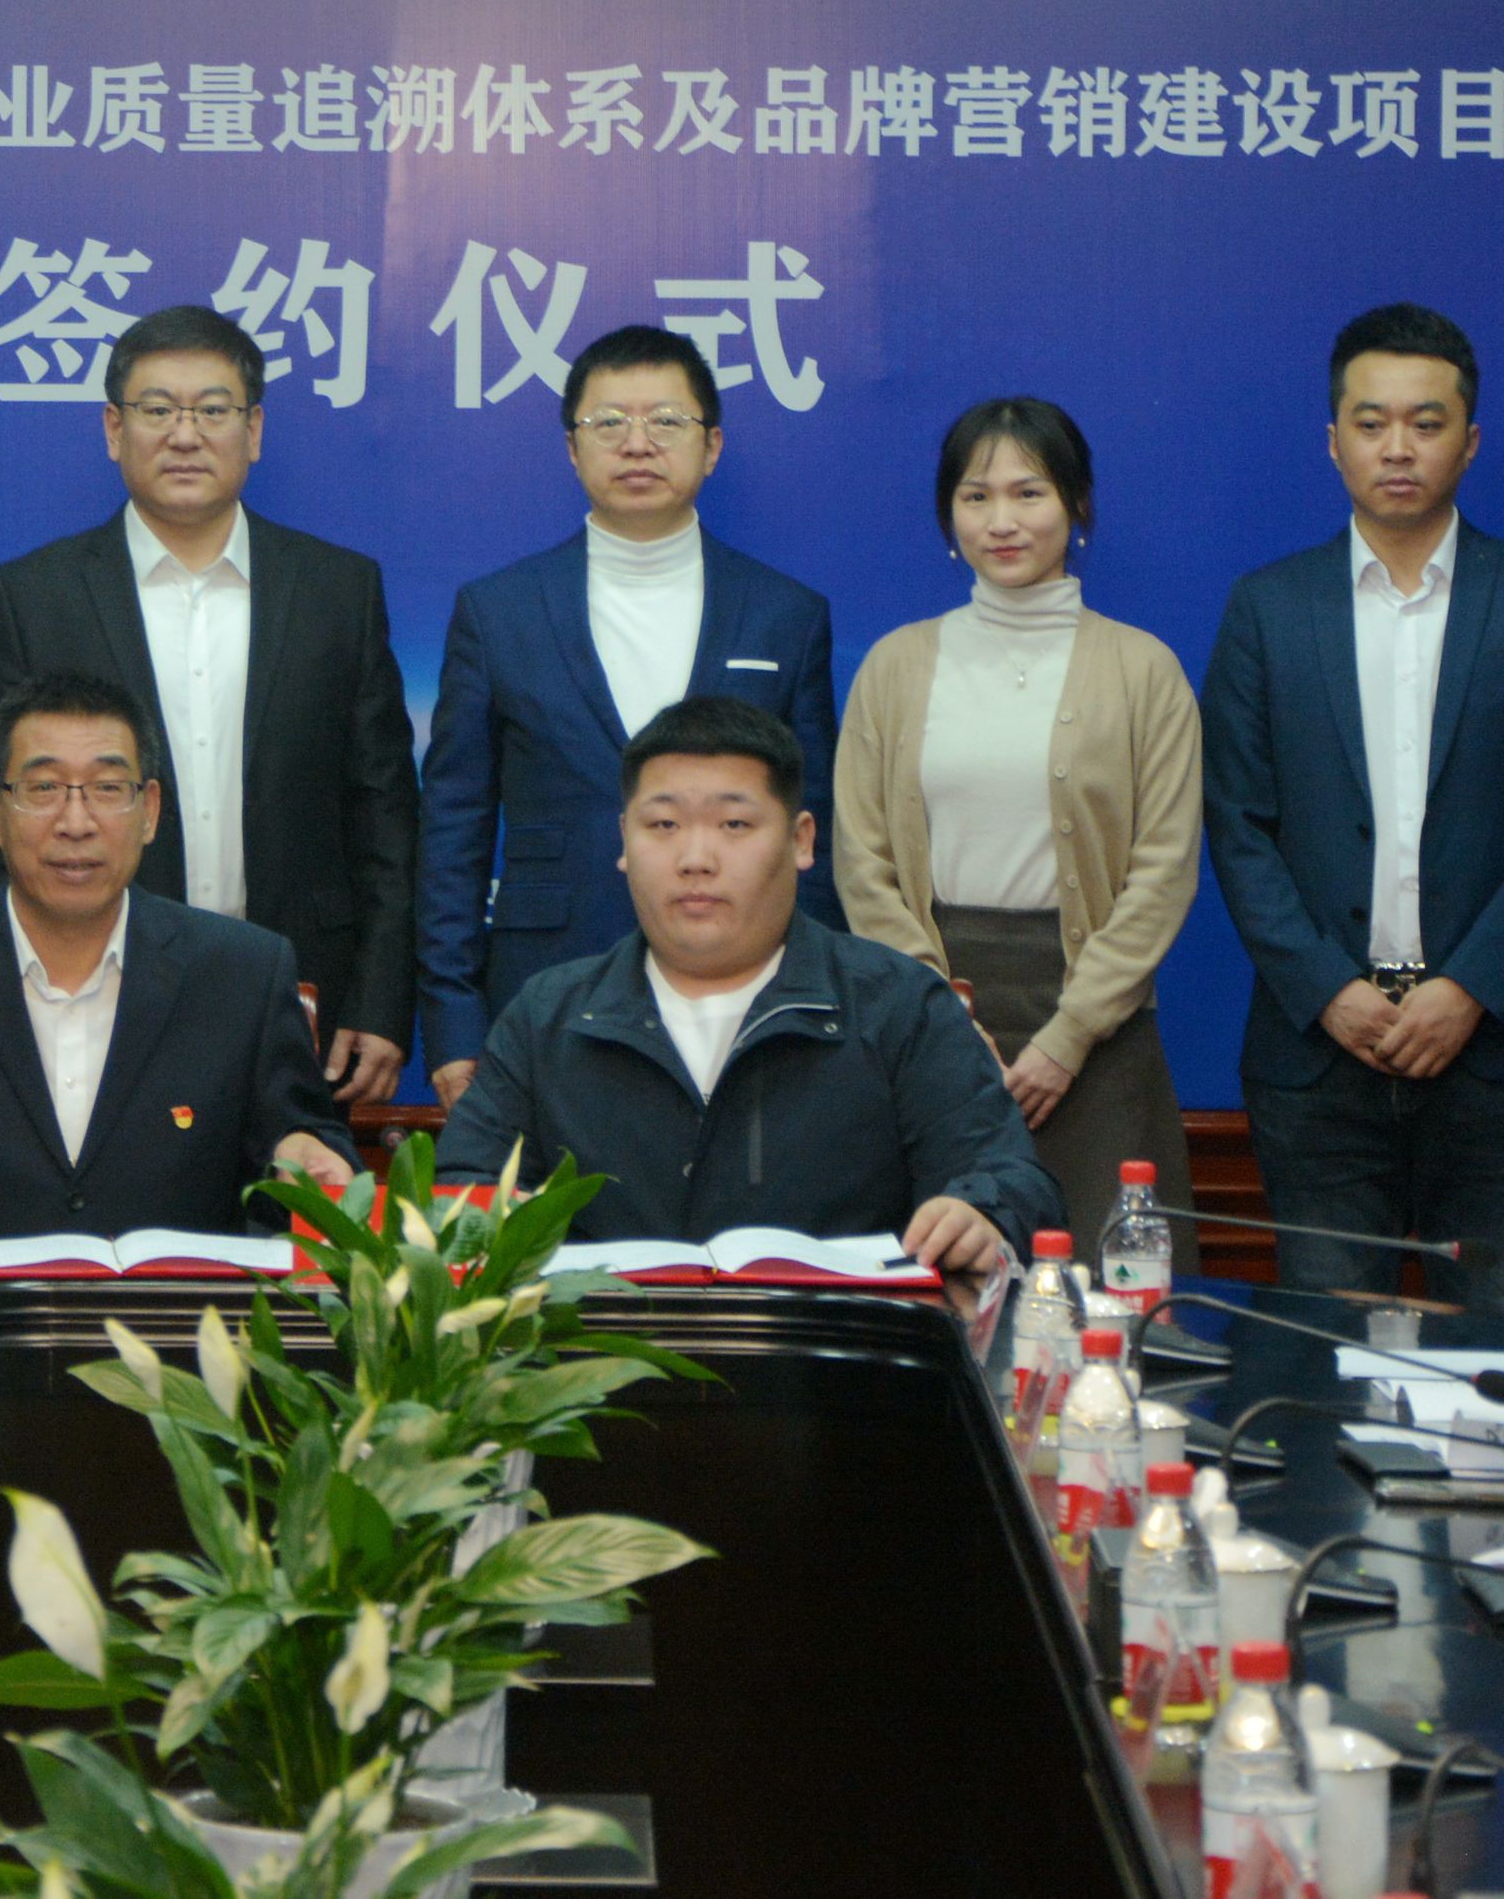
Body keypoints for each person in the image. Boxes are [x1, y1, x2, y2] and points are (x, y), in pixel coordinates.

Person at [1201, 304, 1504, 1322]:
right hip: (1319, 1052)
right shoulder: (1268, 607)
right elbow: (1238, 827)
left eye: (1426, 423)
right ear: (1332, 440)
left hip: (1494, 1053)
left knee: (1501, 1346)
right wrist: (1328, 989)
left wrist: (1467, 988)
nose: (1398, 447)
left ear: (1469, 440)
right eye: (1371, 421)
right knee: (1327, 1349)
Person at [0, 305, 419, 1111]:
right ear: (114, 429)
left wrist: (381, 999)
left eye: (213, 410)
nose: (185, 435)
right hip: (88, 988)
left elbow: (383, 811)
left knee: (289, 1188)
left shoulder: (337, 590)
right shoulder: (35, 596)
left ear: (254, 430)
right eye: (157, 410)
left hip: (302, 990)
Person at [434, 697, 1060, 1270]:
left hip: (839, 1351)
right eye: (663, 826)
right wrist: (489, 1220)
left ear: (801, 840)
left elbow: (1011, 1180)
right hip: (600, 1349)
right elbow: (464, 1186)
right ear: (623, 840)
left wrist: (982, 1215)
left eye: (734, 825)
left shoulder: (898, 1004)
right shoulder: (548, 1016)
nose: (695, 860)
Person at [0, 672, 360, 1251]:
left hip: (176, 1309)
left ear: (150, 810)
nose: (76, 823)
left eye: (108, 788)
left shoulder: (243, 972)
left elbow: (311, 1141)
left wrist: (304, 1155)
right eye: (44, 788)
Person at [421, 324, 837, 1112]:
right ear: (572, 448)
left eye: (666, 421)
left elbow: (816, 831)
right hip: (544, 980)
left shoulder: (785, 614)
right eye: (608, 422)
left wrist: (816, 1001)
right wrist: (453, 1024)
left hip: (745, 984)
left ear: (712, 446)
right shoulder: (498, 611)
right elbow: (453, 831)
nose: (637, 443)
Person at [832, 396, 1204, 1243]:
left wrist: (1069, 1035)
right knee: (938, 1275)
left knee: (1107, 1289)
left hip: (1095, 1021)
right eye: (976, 496)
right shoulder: (894, 665)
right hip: (930, 1015)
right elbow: (863, 860)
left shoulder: (1145, 669)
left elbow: (1165, 869)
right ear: (949, 515)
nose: (1001, 521)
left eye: (1029, 493)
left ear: (1077, 504)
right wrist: (940, 1015)